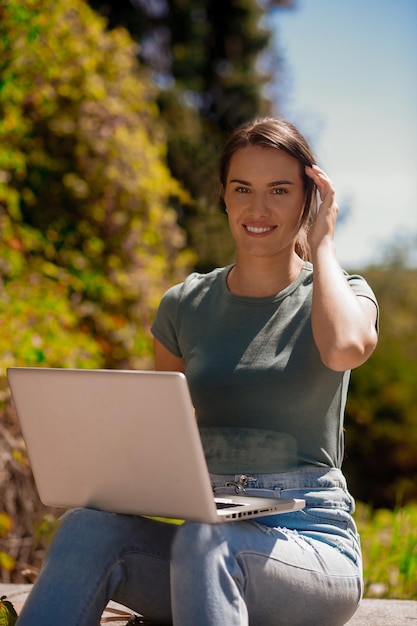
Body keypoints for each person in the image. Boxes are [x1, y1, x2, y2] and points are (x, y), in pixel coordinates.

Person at [17, 117, 379, 626]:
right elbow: (161, 430)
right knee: (84, 528)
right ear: (223, 197)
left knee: (204, 539)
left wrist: (321, 244)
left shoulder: (343, 291)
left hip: (310, 542)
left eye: (280, 190)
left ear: (308, 200)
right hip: (205, 533)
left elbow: (344, 349)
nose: (258, 208)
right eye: (242, 189)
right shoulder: (184, 304)